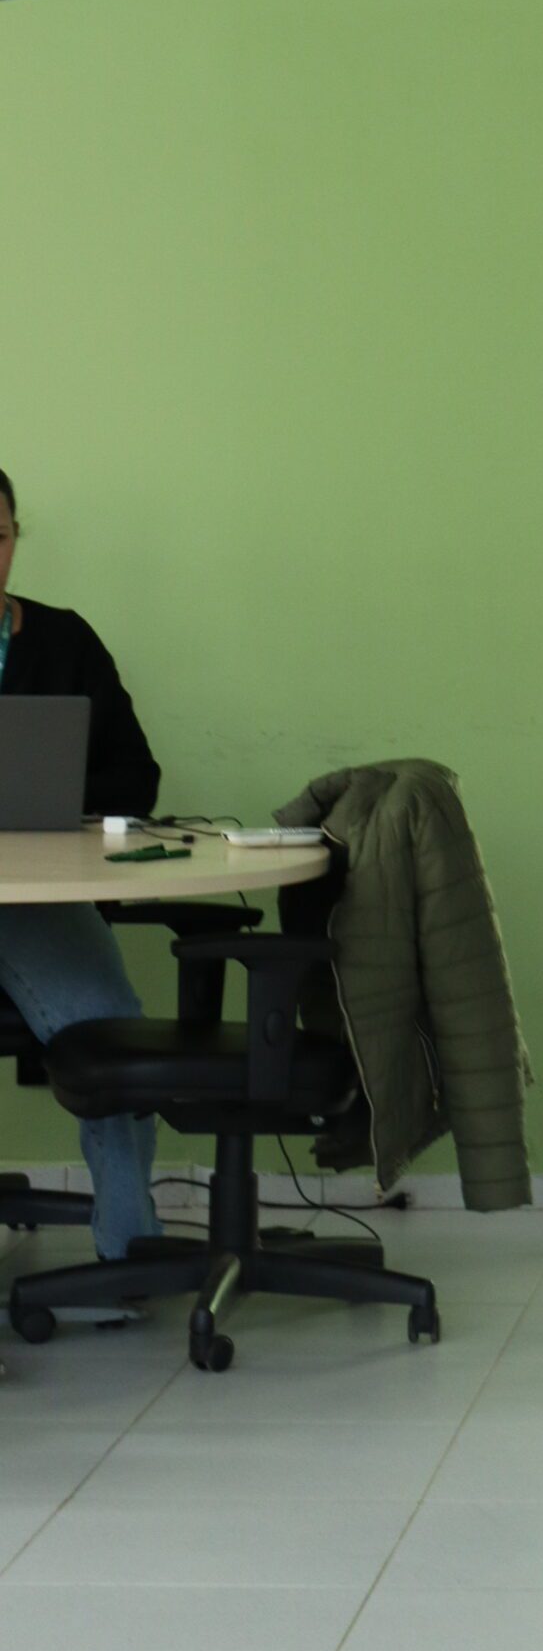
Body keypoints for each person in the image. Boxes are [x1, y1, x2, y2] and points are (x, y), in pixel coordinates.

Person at [0, 465, 167, 1262]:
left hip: (35, 901)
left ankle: (130, 1260)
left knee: (113, 1031)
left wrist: (51, 796)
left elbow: (137, 778)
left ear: (14, 539)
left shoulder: (64, 642)